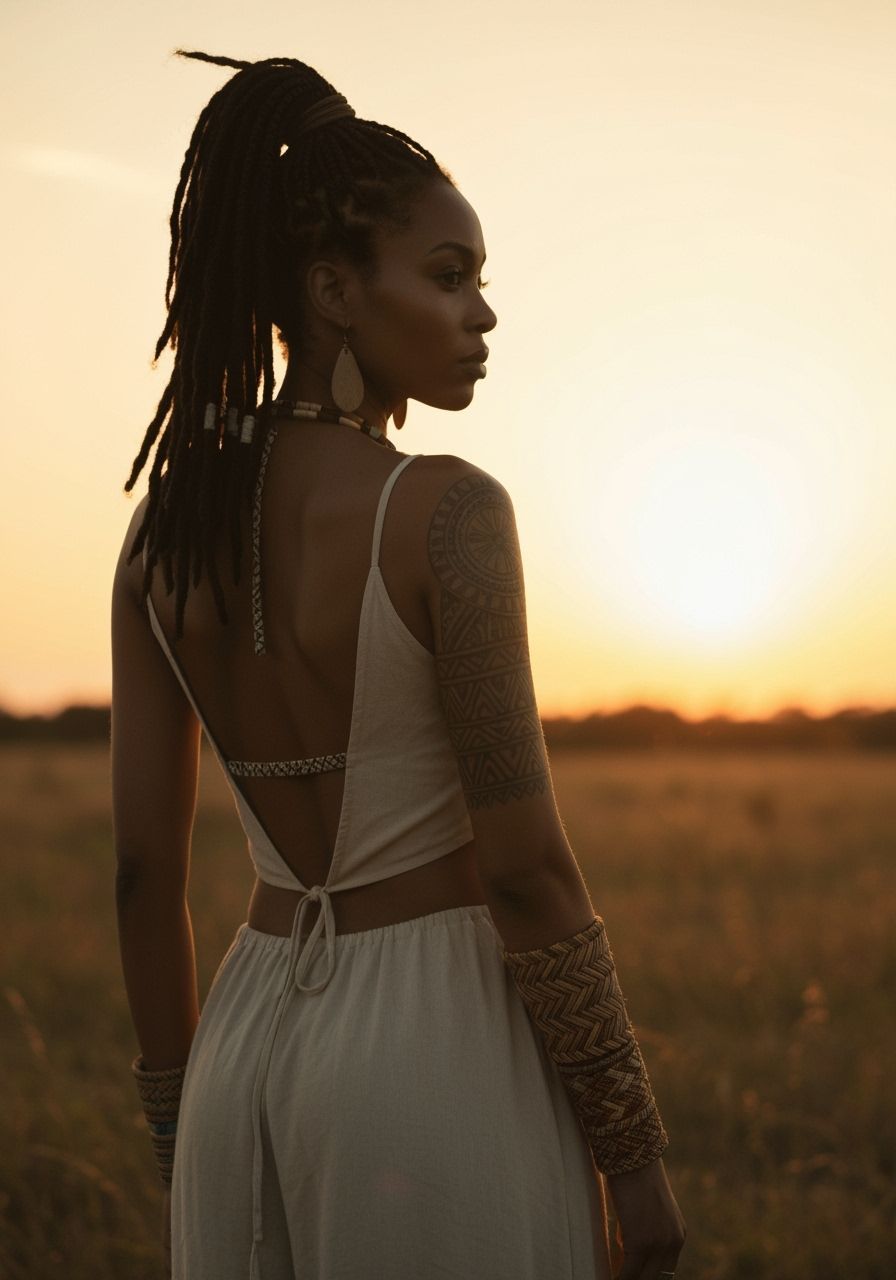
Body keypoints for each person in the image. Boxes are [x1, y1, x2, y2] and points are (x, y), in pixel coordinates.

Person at [111, 49, 686, 1280]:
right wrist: (630, 1156)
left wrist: (181, 1125)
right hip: (434, 1056)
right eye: (448, 273)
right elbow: (526, 870)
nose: (481, 311)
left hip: (239, 1059)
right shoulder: (445, 513)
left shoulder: (165, 535)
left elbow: (140, 872)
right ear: (330, 289)